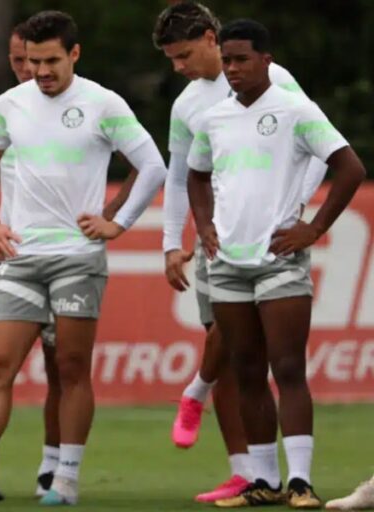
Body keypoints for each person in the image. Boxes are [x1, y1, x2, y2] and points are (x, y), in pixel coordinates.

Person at [0, 10, 167, 506]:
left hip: (77, 258)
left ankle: (65, 481)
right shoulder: (10, 103)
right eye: (33, 61)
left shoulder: (103, 103)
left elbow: (153, 166)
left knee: (71, 367)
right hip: (20, 256)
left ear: (74, 54)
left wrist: (115, 220)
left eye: (51, 61)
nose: (41, 72)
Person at [152, 1, 329, 503]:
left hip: (271, 237)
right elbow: (183, 173)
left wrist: (297, 211)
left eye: (184, 54)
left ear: (211, 38)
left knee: (259, 355)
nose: (179, 67)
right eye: (171, 59)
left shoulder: (275, 80)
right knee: (231, 346)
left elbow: (317, 146)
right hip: (219, 239)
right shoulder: (188, 105)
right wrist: (174, 241)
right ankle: (248, 472)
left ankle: (196, 390)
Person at [186, 19, 364, 509]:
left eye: (242, 59)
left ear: (266, 60)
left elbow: (349, 166)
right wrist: (203, 226)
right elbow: (196, 176)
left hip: (279, 262)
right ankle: (262, 481)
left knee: (287, 367)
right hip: (228, 263)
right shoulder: (215, 119)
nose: (233, 69)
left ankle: (301, 481)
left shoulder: (295, 110)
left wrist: (314, 228)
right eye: (227, 61)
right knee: (245, 370)